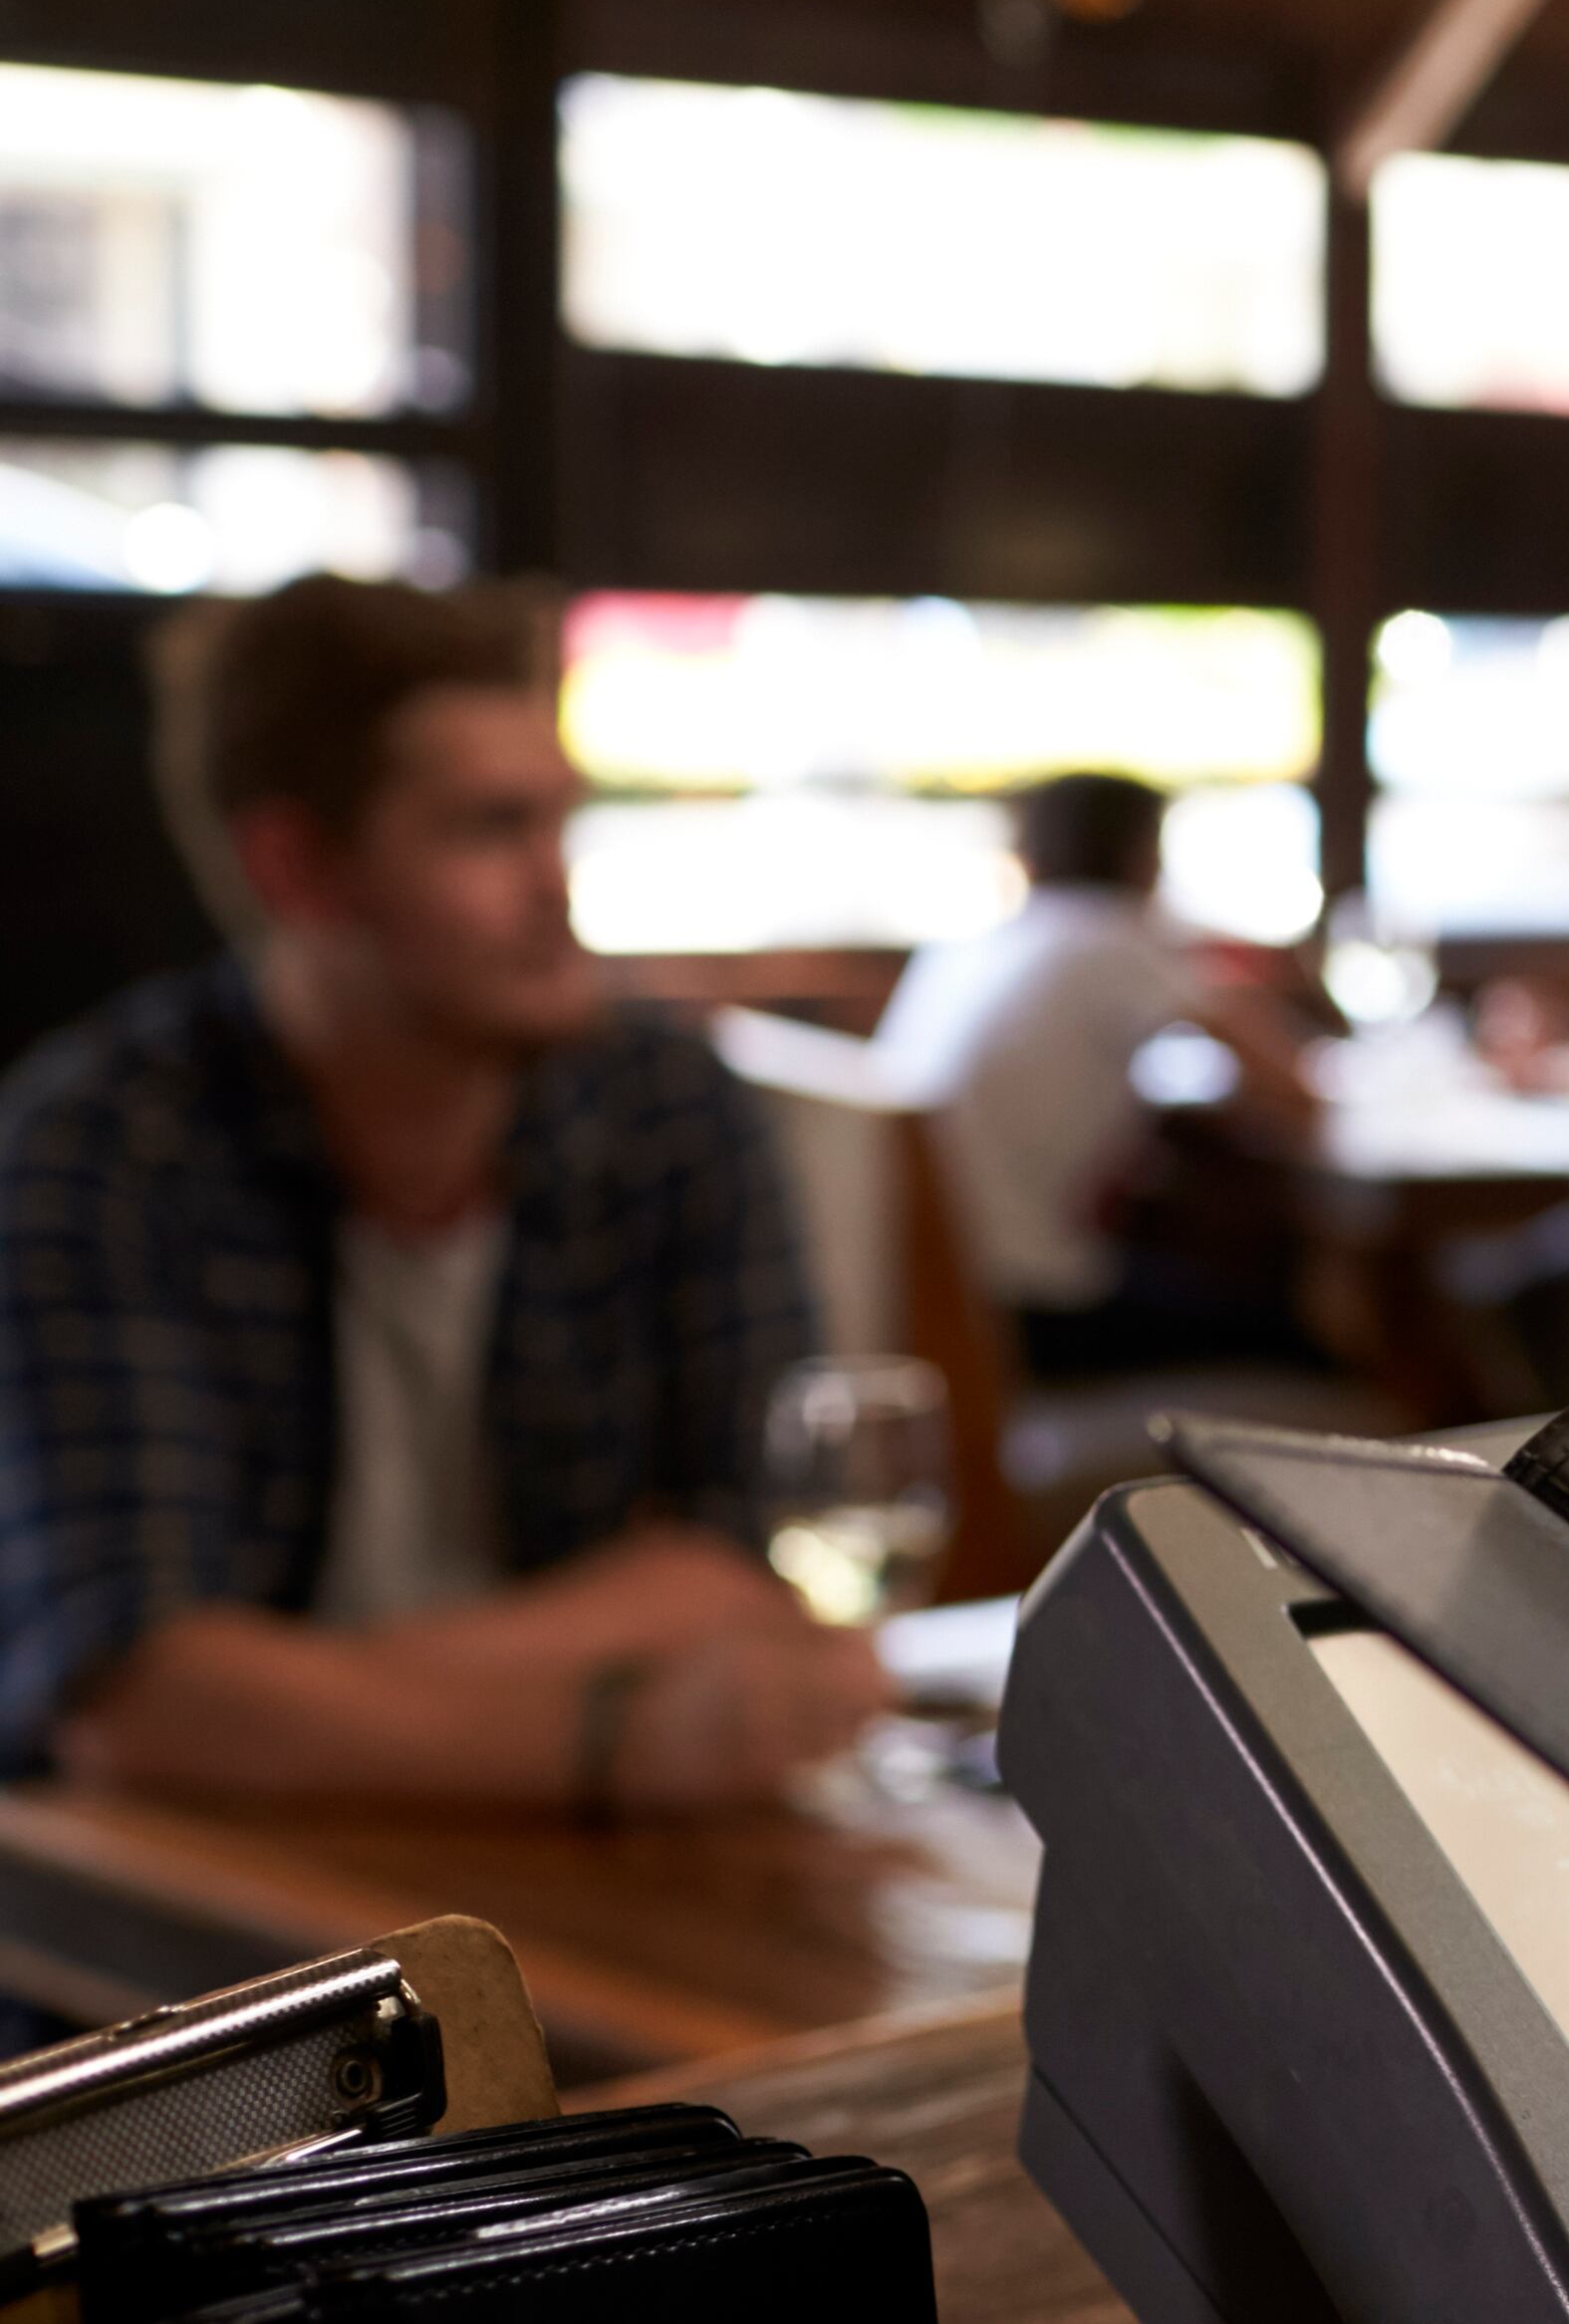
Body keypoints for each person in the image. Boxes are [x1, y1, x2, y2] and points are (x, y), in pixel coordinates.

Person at [0, 578, 878, 1810]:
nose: (553, 885)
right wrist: (616, 1735)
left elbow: (758, 1556)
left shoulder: (667, 1112)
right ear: (298, 868)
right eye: (487, 829)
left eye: (558, 825)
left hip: (574, 1887)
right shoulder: (106, 1150)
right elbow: (132, 1707)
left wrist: (286, 1698)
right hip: (212, 1929)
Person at [866, 771, 1321, 1383]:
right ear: (1143, 853)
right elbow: (1292, 1084)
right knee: (1300, 1332)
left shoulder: (980, 941)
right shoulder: (1110, 936)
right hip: (1029, 1306)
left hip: (935, 1292)